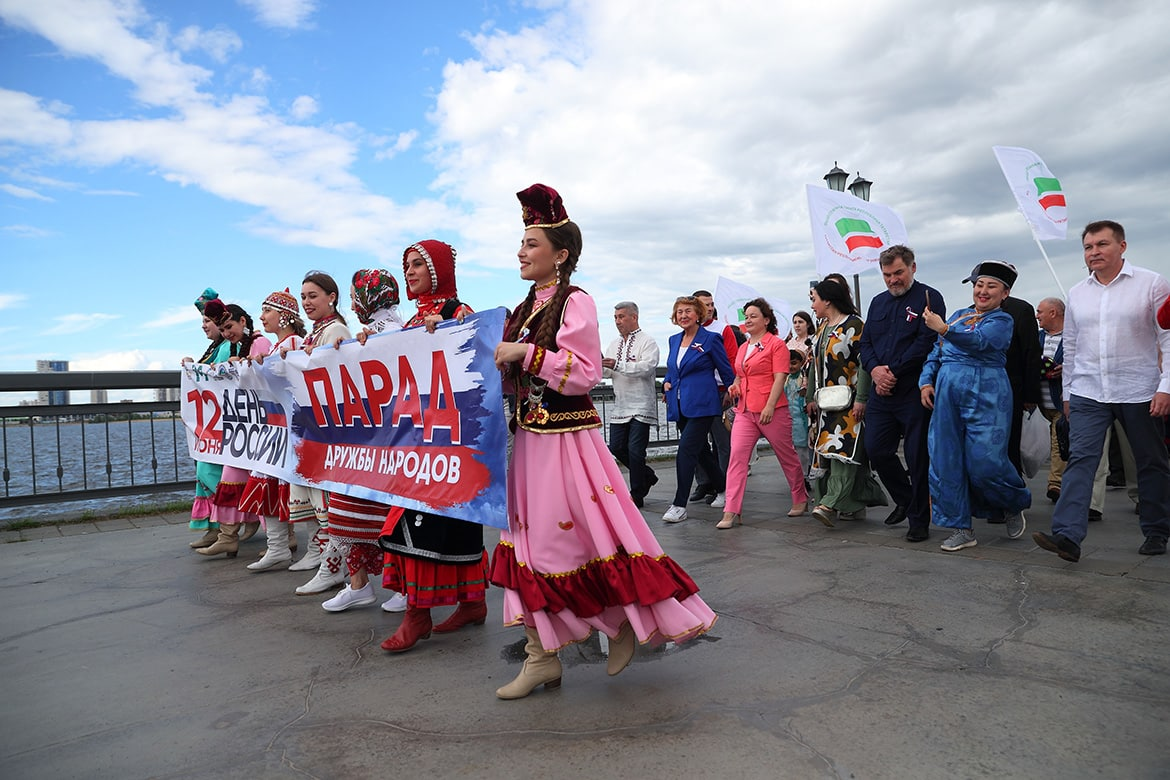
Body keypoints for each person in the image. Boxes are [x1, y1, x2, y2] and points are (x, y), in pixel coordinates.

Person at [489, 183, 716, 699]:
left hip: (567, 439)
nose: (521, 251)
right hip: (529, 437)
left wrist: (521, 355)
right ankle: (542, 655)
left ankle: (618, 625)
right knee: (530, 539)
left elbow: (586, 372)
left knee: (579, 537)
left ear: (561, 254)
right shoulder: (526, 305)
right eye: (521, 243)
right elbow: (511, 366)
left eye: (531, 243)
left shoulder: (577, 301)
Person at [1034, 221, 1170, 561]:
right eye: (1088, 246)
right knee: (1081, 460)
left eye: (1102, 244)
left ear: (1122, 247)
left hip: (1139, 389)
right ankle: (1067, 536)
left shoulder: (1152, 284)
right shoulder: (1078, 293)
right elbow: (1074, 344)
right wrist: (1067, 394)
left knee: (1150, 461)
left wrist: (1166, 387)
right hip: (1089, 391)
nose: (1094, 252)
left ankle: (1156, 530)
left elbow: (1167, 338)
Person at [377, 240, 490, 650]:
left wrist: (445, 336)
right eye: (405, 266)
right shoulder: (411, 321)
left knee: (438, 521)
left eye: (416, 265)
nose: (408, 272)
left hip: (446, 442)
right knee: (418, 518)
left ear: (438, 269)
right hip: (412, 439)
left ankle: (423, 614)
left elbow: (479, 369)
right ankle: (461, 604)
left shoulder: (458, 314)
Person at [919, 261, 1031, 551]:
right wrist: (926, 381)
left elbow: (980, 342)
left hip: (987, 394)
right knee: (946, 459)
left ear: (1004, 293)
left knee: (985, 461)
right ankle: (961, 528)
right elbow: (936, 351)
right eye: (979, 285)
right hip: (947, 393)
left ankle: (1012, 502)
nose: (982, 291)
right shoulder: (959, 316)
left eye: (991, 286)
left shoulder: (1002, 321)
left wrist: (943, 328)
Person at [316, 269, 409, 613]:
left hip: (388, 438)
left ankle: (402, 586)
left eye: (359, 296)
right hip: (360, 438)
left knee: (387, 512)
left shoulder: (398, 330)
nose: (356, 303)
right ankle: (358, 585)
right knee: (347, 507)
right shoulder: (365, 334)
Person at [859, 245, 945, 543]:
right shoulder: (877, 302)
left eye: (898, 273)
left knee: (917, 456)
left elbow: (926, 343)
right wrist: (875, 372)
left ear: (912, 268)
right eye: (887, 275)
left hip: (913, 391)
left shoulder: (929, 298)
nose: (893, 280)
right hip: (881, 394)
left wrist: (892, 371)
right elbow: (865, 344)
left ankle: (919, 520)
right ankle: (906, 499)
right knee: (876, 450)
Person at [286, 272, 353, 594]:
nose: (307, 302)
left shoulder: (336, 330)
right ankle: (325, 558)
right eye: (304, 297)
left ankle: (334, 566)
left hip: (328, 428)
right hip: (312, 426)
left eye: (313, 295)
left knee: (328, 497)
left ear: (331, 297)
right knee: (315, 496)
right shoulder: (313, 334)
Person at [719, 298, 808, 529]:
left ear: (766, 320)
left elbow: (781, 375)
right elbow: (740, 374)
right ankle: (731, 509)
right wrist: (735, 385)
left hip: (772, 409)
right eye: (746, 316)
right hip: (745, 410)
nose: (748, 320)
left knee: (786, 455)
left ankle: (800, 497)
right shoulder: (742, 347)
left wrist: (770, 405)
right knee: (737, 457)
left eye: (753, 316)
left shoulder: (776, 344)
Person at [806, 280, 886, 526]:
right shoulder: (822, 328)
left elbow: (865, 363)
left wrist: (862, 399)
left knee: (843, 452)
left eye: (814, 298)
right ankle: (853, 503)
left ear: (827, 300)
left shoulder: (856, 325)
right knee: (827, 455)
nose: (812, 305)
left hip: (849, 402)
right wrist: (810, 397)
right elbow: (814, 366)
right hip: (826, 404)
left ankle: (829, 504)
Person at [197, 301, 272, 558]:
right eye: (223, 328)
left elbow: (267, 376)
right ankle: (227, 535)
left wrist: (239, 365)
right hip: (244, 426)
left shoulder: (260, 343)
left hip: (262, 426)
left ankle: (281, 539)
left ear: (243, 322)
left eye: (229, 326)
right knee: (230, 476)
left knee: (262, 480)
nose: (227, 332)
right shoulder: (237, 347)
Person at [242, 288, 305, 571]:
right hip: (275, 430)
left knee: (298, 490)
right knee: (271, 486)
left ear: (285, 315)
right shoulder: (271, 350)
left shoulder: (297, 344)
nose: (262, 316)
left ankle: (316, 550)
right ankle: (277, 547)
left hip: (293, 430)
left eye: (267, 310)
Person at [661, 295, 735, 523]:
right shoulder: (674, 340)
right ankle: (723, 489)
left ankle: (679, 504)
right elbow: (674, 369)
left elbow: (726, 371)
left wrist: (732, 395)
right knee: (701, 451)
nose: (683, 315)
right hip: (680, 404)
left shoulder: (711, 339)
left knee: (685, 450)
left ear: (698, 315)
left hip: (704, 403)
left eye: (688, 311)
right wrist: (666, 382)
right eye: (679, 311)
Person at [602, 301, 660, 508]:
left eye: (621, 317)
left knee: (636, 451)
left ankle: (637, 494)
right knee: (616, 447)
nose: (618, 321)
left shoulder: (648, 342)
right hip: (621, 405)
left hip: (641, 403)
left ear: (634, 317)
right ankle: (647, 475)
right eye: (615, 317)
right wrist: (596, 364)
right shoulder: (613, 344)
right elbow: (608, 372)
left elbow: (647, 367)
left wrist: (617, 364)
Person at [186, 288, 230, 549]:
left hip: (222, 424)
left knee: (209, 471)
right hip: (211, 423)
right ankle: (217, 527)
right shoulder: (215, 348)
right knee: (205, 473)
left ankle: (232, 523)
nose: (203, 326)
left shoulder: (224, 348)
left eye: (207, 321)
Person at [689, 290, 739, 507]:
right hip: (696, 392)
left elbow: (731, 360)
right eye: (704, 305)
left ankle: (725, 485)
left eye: (711, 304)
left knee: (721, 440)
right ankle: (705, 482)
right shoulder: (689, 330)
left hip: (719, 390)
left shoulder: (722, 329)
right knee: (697, 440)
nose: (709, 308)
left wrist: (730, 388)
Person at [1035, 297, 1066, 503]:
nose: (1037, 316)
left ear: (1053, 313)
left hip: (1061, 402)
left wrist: (1066, 368)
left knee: (1058, 443)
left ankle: (1056, 484)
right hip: (1038, 404)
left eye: (1040, 312)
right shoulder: (1035, 338)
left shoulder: (1073, 338)